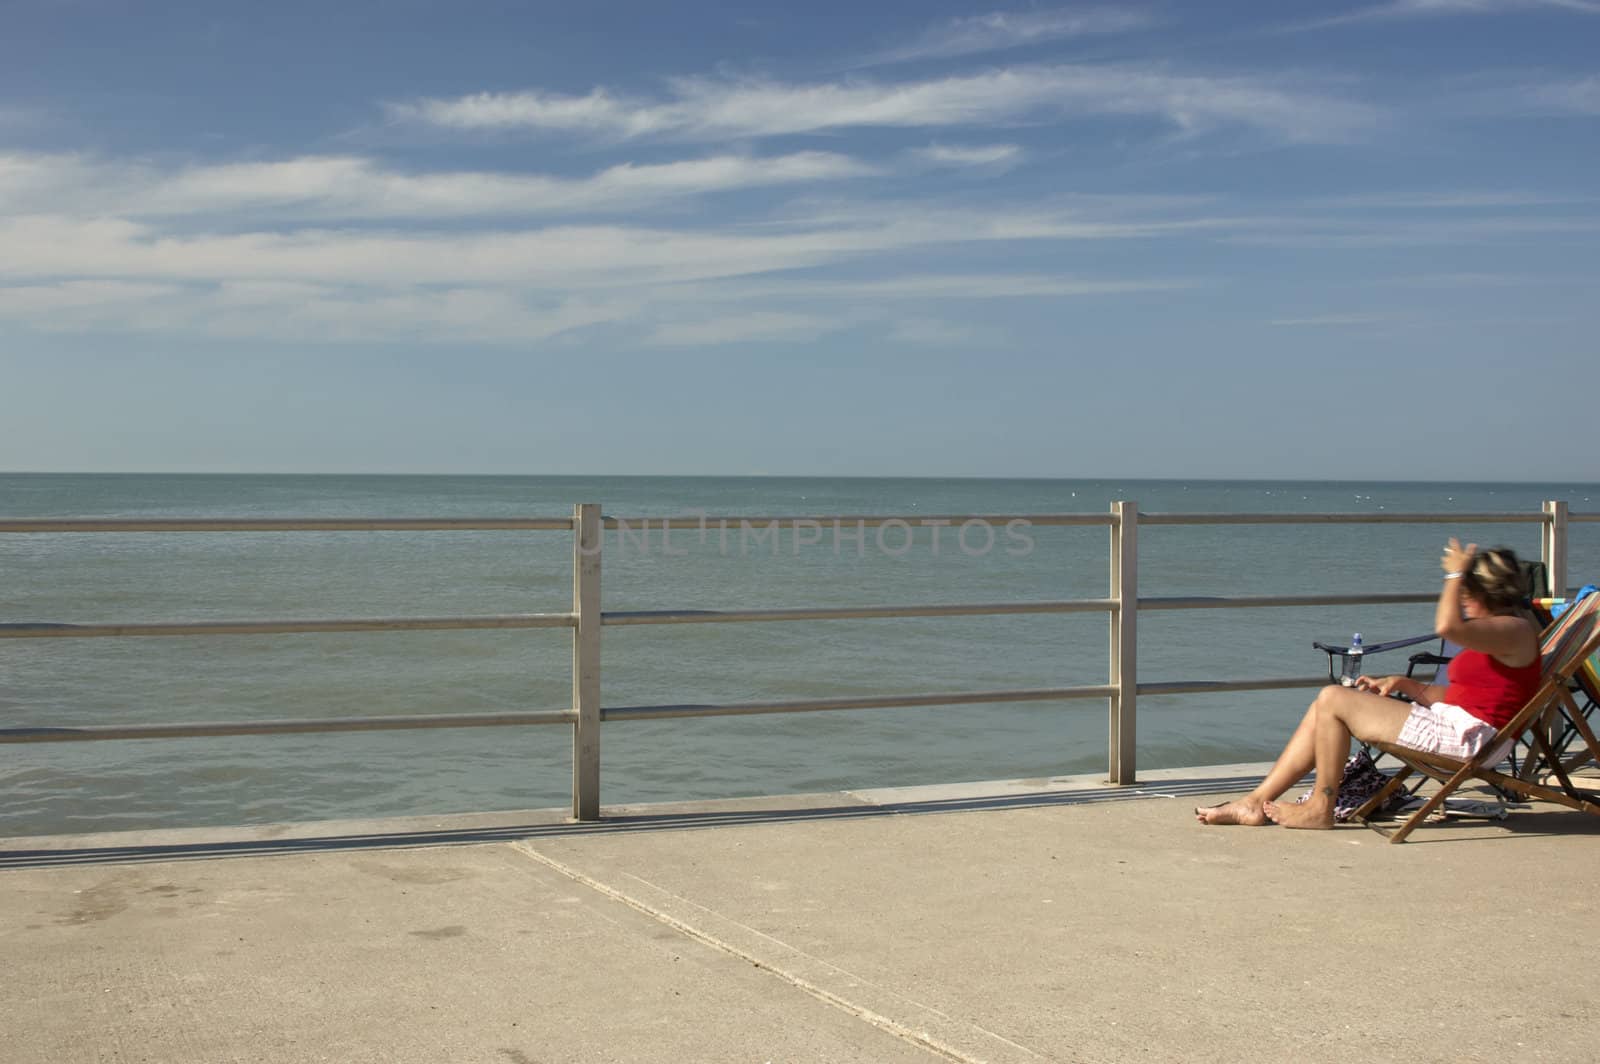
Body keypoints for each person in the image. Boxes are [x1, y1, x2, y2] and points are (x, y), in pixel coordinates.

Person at [1195, 538, 1541, 829]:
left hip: (1471, 741)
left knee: (1334, 697)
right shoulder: (1499, 633)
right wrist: (1404, 684)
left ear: (1489, 592)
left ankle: (1320, 809)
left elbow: (1447, 627)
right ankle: (1256, 802)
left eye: (1468, 591)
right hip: (1457, 725)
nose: (1462, 597)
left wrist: (1454, 573)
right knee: (1325, 705)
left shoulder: (1515, 629)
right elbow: (1464, 695)